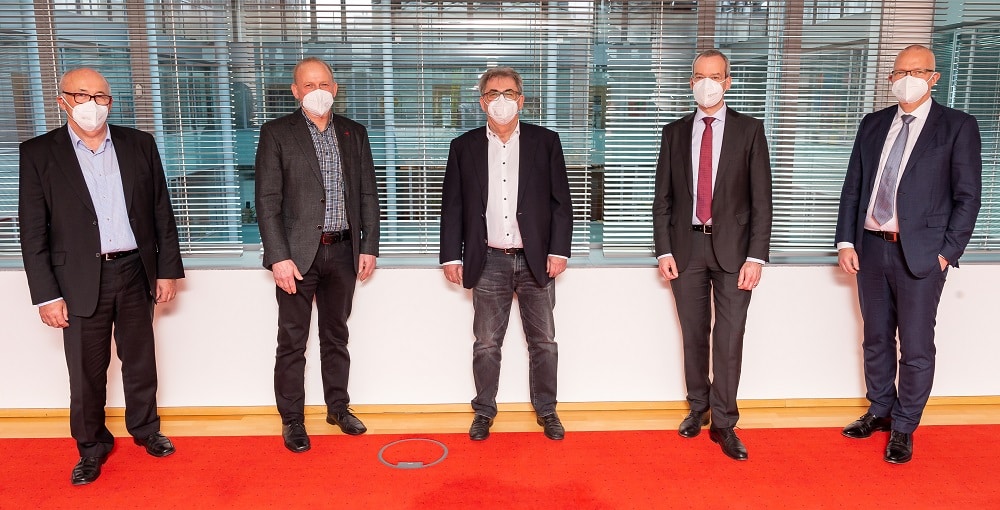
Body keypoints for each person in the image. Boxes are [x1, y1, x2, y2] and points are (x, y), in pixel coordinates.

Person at [19, 68, 185, 485]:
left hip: (134, 270)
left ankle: (146, 429)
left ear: (111, 102)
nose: (92, 105)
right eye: (82, 95)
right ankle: (91, 447)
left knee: (140, 361)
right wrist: (46, 295)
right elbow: (32, 231)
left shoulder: (139, 144)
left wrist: (167, 270)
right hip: (76, 278)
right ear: (62, 100)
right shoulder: (38, 153)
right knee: (86, 372)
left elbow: (161, 211)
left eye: (100, 96)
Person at [835, 44, 981, 464]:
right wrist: (846, 241)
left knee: (915, 345)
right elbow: (853, 186)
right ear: (891, 78)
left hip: (921, 255)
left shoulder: (957, 126)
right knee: (876, 337)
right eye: (899, 72)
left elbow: (968, 197)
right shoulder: (873, 123)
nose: (907, 79)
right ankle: (880, 409)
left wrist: (946, 253)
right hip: (870, 248)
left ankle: (903, 425)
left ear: (934, 77)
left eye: (916, 71)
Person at [439, 66, 573, 441]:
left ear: (521, 100)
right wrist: (451, 256)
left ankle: (547, 410)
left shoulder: (545, 142)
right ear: (483, 102)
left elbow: (561, 203)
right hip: (488, 260)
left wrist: (559, 250)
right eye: (493, 94)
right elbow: (452, 206)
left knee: (543, 342)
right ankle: (484, 411)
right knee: (486, 343)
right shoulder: (463, 146)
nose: (502, 100)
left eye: (509, 93)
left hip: (536, 258)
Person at [652, 49, 773, 461]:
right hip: (685, 248)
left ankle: (724, 423)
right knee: (693, 334)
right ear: (691, 83)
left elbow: (762, 200)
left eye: (716, 76)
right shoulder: (673, 132)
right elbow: (663, 200)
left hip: (735, 252)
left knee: (729, 337)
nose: (708, 84)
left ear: (728, 82)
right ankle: (698, 407)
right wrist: (664, 250)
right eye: (700, 77)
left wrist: (756, 257)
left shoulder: (750, 130)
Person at [254, 57, 380, 453]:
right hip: (296, 257)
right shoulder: (277, 133)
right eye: (309, 85)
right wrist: (278, 257)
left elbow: (368, 194)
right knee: (292, 341)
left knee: (336, 336)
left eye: (324, 83)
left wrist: (368, 246)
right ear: (296, 91)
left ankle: (338, 408)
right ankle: (292, 419)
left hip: (343, 252)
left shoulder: (354, 132)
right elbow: (267, 201)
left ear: (335, 88)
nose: (318, 91)